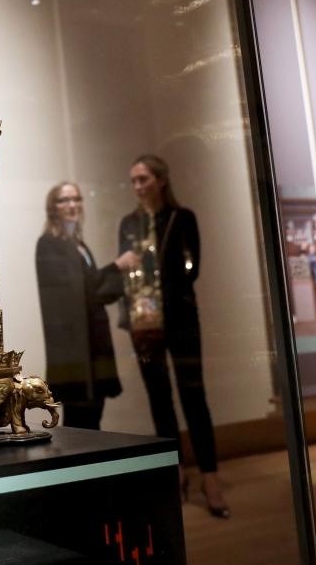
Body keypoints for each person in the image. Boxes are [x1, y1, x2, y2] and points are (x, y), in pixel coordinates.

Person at [118, 154, 231, 518]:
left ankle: (210, 478)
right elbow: (125, 276)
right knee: (159, 400)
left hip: (181, 318)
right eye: (134, 180)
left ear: (161, 180)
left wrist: (157, 278)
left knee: (194, 397)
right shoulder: (128, 224)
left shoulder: (183, 218)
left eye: (144, 179)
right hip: (145, 323)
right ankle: (176, 472)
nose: (138, 186)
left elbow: (191, 268)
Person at [36, 182, 139, 430]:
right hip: (74, 348)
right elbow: (79, 291)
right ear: (53, 207)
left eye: (76, 199)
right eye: (64, 200)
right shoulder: (50, 244)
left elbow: (93, 290)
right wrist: (117, 266)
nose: (72, 205)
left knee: (94, 415)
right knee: (81, 420)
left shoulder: (77, 244)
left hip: (93, 342)